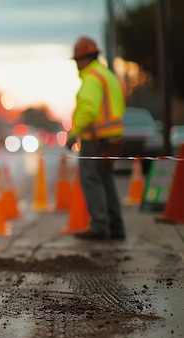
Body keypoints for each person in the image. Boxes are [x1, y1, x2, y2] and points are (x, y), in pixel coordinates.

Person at [66, 36, 126, 240]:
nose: (76, 65)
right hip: (112, 137)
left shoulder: (92, 78)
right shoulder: (107, 76)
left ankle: (100, 226)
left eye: (77, 61)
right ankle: (116, 227)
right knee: (105, 180)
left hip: (95, 138)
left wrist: (74, 133)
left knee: (91, 179)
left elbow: (88, 109)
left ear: (84, 59)